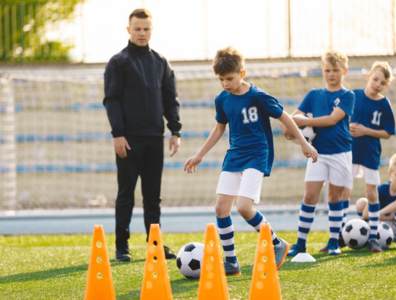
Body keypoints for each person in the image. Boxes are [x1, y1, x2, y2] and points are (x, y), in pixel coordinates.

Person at [184, 47, 318, 275]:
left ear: (242, 73)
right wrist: (200, 154)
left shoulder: (258, 96)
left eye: (230, 78)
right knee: (221, 208)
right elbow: (219, 128)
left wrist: (304, 144)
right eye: (221, 80)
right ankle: (231, 261)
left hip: (257, 154)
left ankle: (277, 243)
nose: (225, 83)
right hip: (234, 155)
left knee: (244, 207)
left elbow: (284, 116)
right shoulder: (222, 99)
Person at [103, 8, 181, 262]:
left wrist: (175, 130)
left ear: (151, 30)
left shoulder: (160, 62)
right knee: (126, 193)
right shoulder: (118, 62)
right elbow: (112, 100)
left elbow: (170, 99)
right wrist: (118, 134)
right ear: (129, 30)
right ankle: (121, 246)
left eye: (146, 29)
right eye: (137, 28)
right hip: (128, 139)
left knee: (153, 195)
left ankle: (154, 244)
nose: (142, 33)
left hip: (154, 138)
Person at [287, 51, 355, 256]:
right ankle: (300, 243)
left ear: (344, 71)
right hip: (317, 153)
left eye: (335, 70)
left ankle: (334, 241)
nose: (331, 74)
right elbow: (295, 115)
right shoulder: (313, 95)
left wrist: (305, 122)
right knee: (309, 196)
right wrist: (296, 123)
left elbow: (332, 120)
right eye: (327, 70)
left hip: (340, 153)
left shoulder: (347, 96)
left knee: (334, 197)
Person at [340, 61, 396, 253]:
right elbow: (339, 119)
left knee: (372, 193)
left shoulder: (383, 104)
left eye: (382, 82)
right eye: (375, 79)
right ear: (368, 76)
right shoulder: (353, 96)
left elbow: (388, 132)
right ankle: (339, 234)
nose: (377, 84)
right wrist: (348, 128)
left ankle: (372, 237)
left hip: (371, 153)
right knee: (344, 192)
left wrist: (366, 130)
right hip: (350, 151)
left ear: (385, 85)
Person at [356, 152, 396, 248]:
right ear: (390, 174)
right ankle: (367, 238)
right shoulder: (381, 189)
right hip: (383, 223)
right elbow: (365, 215)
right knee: (362, 202)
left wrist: (377, 214)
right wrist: (383, 217)